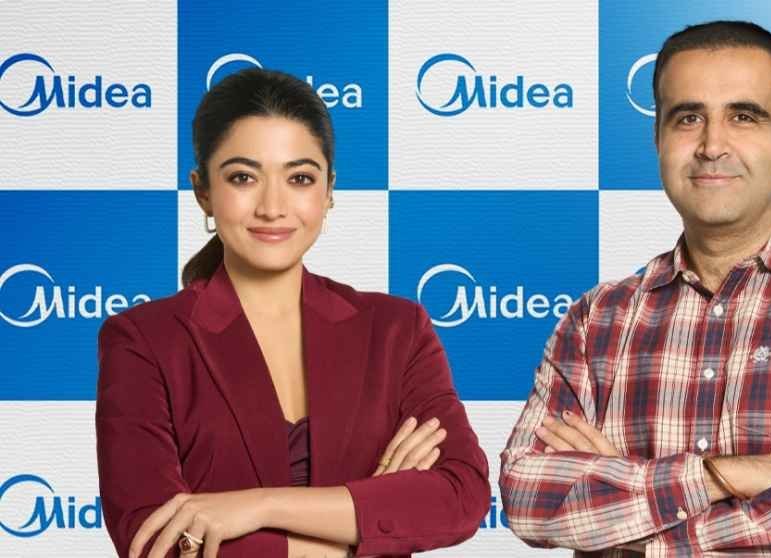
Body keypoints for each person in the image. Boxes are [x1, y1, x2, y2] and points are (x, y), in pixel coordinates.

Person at [499, 20, 771, 557]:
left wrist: (634, 520)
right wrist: (724, 476)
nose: (712, 145)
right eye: (688, 118)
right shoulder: (598, 317)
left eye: (744, 116)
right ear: (658, 141)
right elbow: (529, 496)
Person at [95, 68, 490, 558]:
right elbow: (155, 540)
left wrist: (257, 506)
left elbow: (461, 496)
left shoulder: (396, 329)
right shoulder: (144, 340)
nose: (273, 207)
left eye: (300, 178)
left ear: (329, 191)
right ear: (203, 192)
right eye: (243, 177)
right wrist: (362, 530)